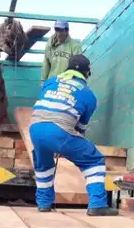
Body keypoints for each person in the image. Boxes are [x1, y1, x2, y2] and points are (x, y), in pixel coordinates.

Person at [29, 54, 117, 216]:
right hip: (59, 131)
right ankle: (97, 204)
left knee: (44, 165)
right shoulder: (89, 95)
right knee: (94, 159)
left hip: (35, 128)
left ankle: (44, 204)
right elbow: (80, 128)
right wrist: (65, 146)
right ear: (87, 73)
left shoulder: (50, 82)